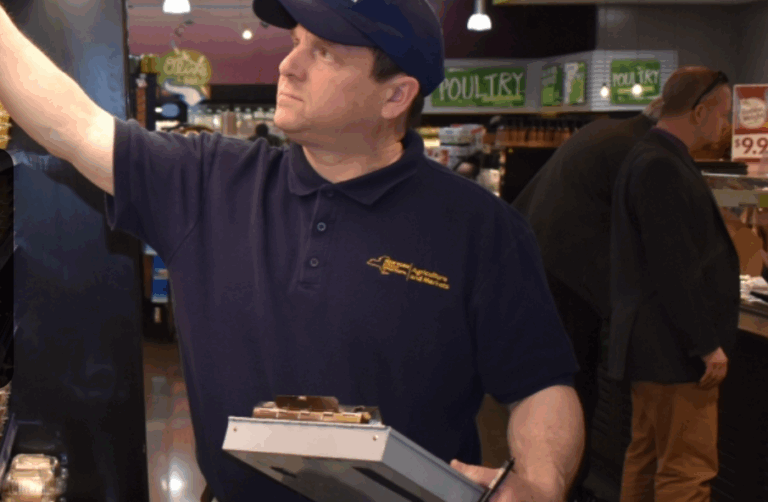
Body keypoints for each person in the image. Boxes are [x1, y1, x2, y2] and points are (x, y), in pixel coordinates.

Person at [0, 0, 584, 501]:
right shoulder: (206, 182)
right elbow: (73, 126)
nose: (288, 65)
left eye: (323, 52)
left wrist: (539, 482)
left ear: (395, 95)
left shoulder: (483, 229)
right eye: (296, 41)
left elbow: (541, 387)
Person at [513, 98, 663, 502]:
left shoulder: (605, 131)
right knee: (571, 387)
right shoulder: (639, 149)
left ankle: (559, 484)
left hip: (541, 268)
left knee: (551, 385)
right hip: (570, 280)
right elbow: (653, 229)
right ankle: (563, 487)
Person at [608, 67, 739, 502]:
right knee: (687, 471)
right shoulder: (662, 165)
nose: (725, 125)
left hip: (653, 348)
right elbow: (673, 267)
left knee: (646, 458)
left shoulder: (648, 156)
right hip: (673, 352)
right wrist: (705, 344)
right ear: (700, 112)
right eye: (723, 114)